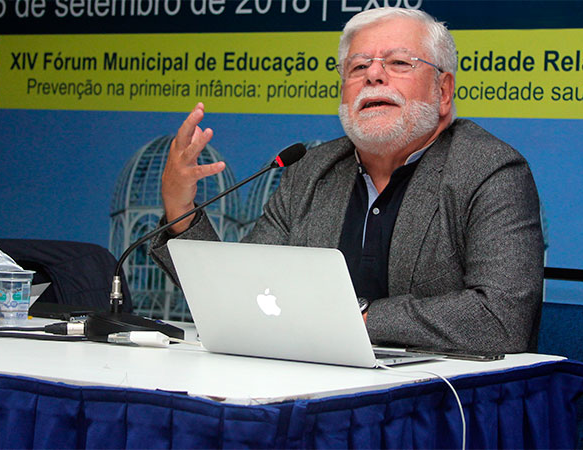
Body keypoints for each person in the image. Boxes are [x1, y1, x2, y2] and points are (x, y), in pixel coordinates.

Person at [150, 7, 544, 353]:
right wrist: (181, 211)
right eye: (358, 67)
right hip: (312, 388)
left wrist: (356, 318)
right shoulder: (309, 171)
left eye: (399, 63)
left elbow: (501, 318)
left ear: (443, 91)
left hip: (436, 406)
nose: (373, 75)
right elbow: (241, 299)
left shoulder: (489, 170)